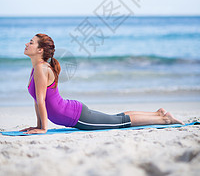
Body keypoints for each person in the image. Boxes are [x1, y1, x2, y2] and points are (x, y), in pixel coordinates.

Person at [20, 34, 184, 134]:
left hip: (75, 117)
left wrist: (43, 128)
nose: (27, 44)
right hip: (71, 111)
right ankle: (158, 114)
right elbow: (37, 100)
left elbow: (42, 101)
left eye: (31, 42)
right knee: (116, 118)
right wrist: (38, 125)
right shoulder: (36, 68)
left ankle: (164, 120)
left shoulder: (41, 69)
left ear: (40, 50)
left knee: (120, 123)